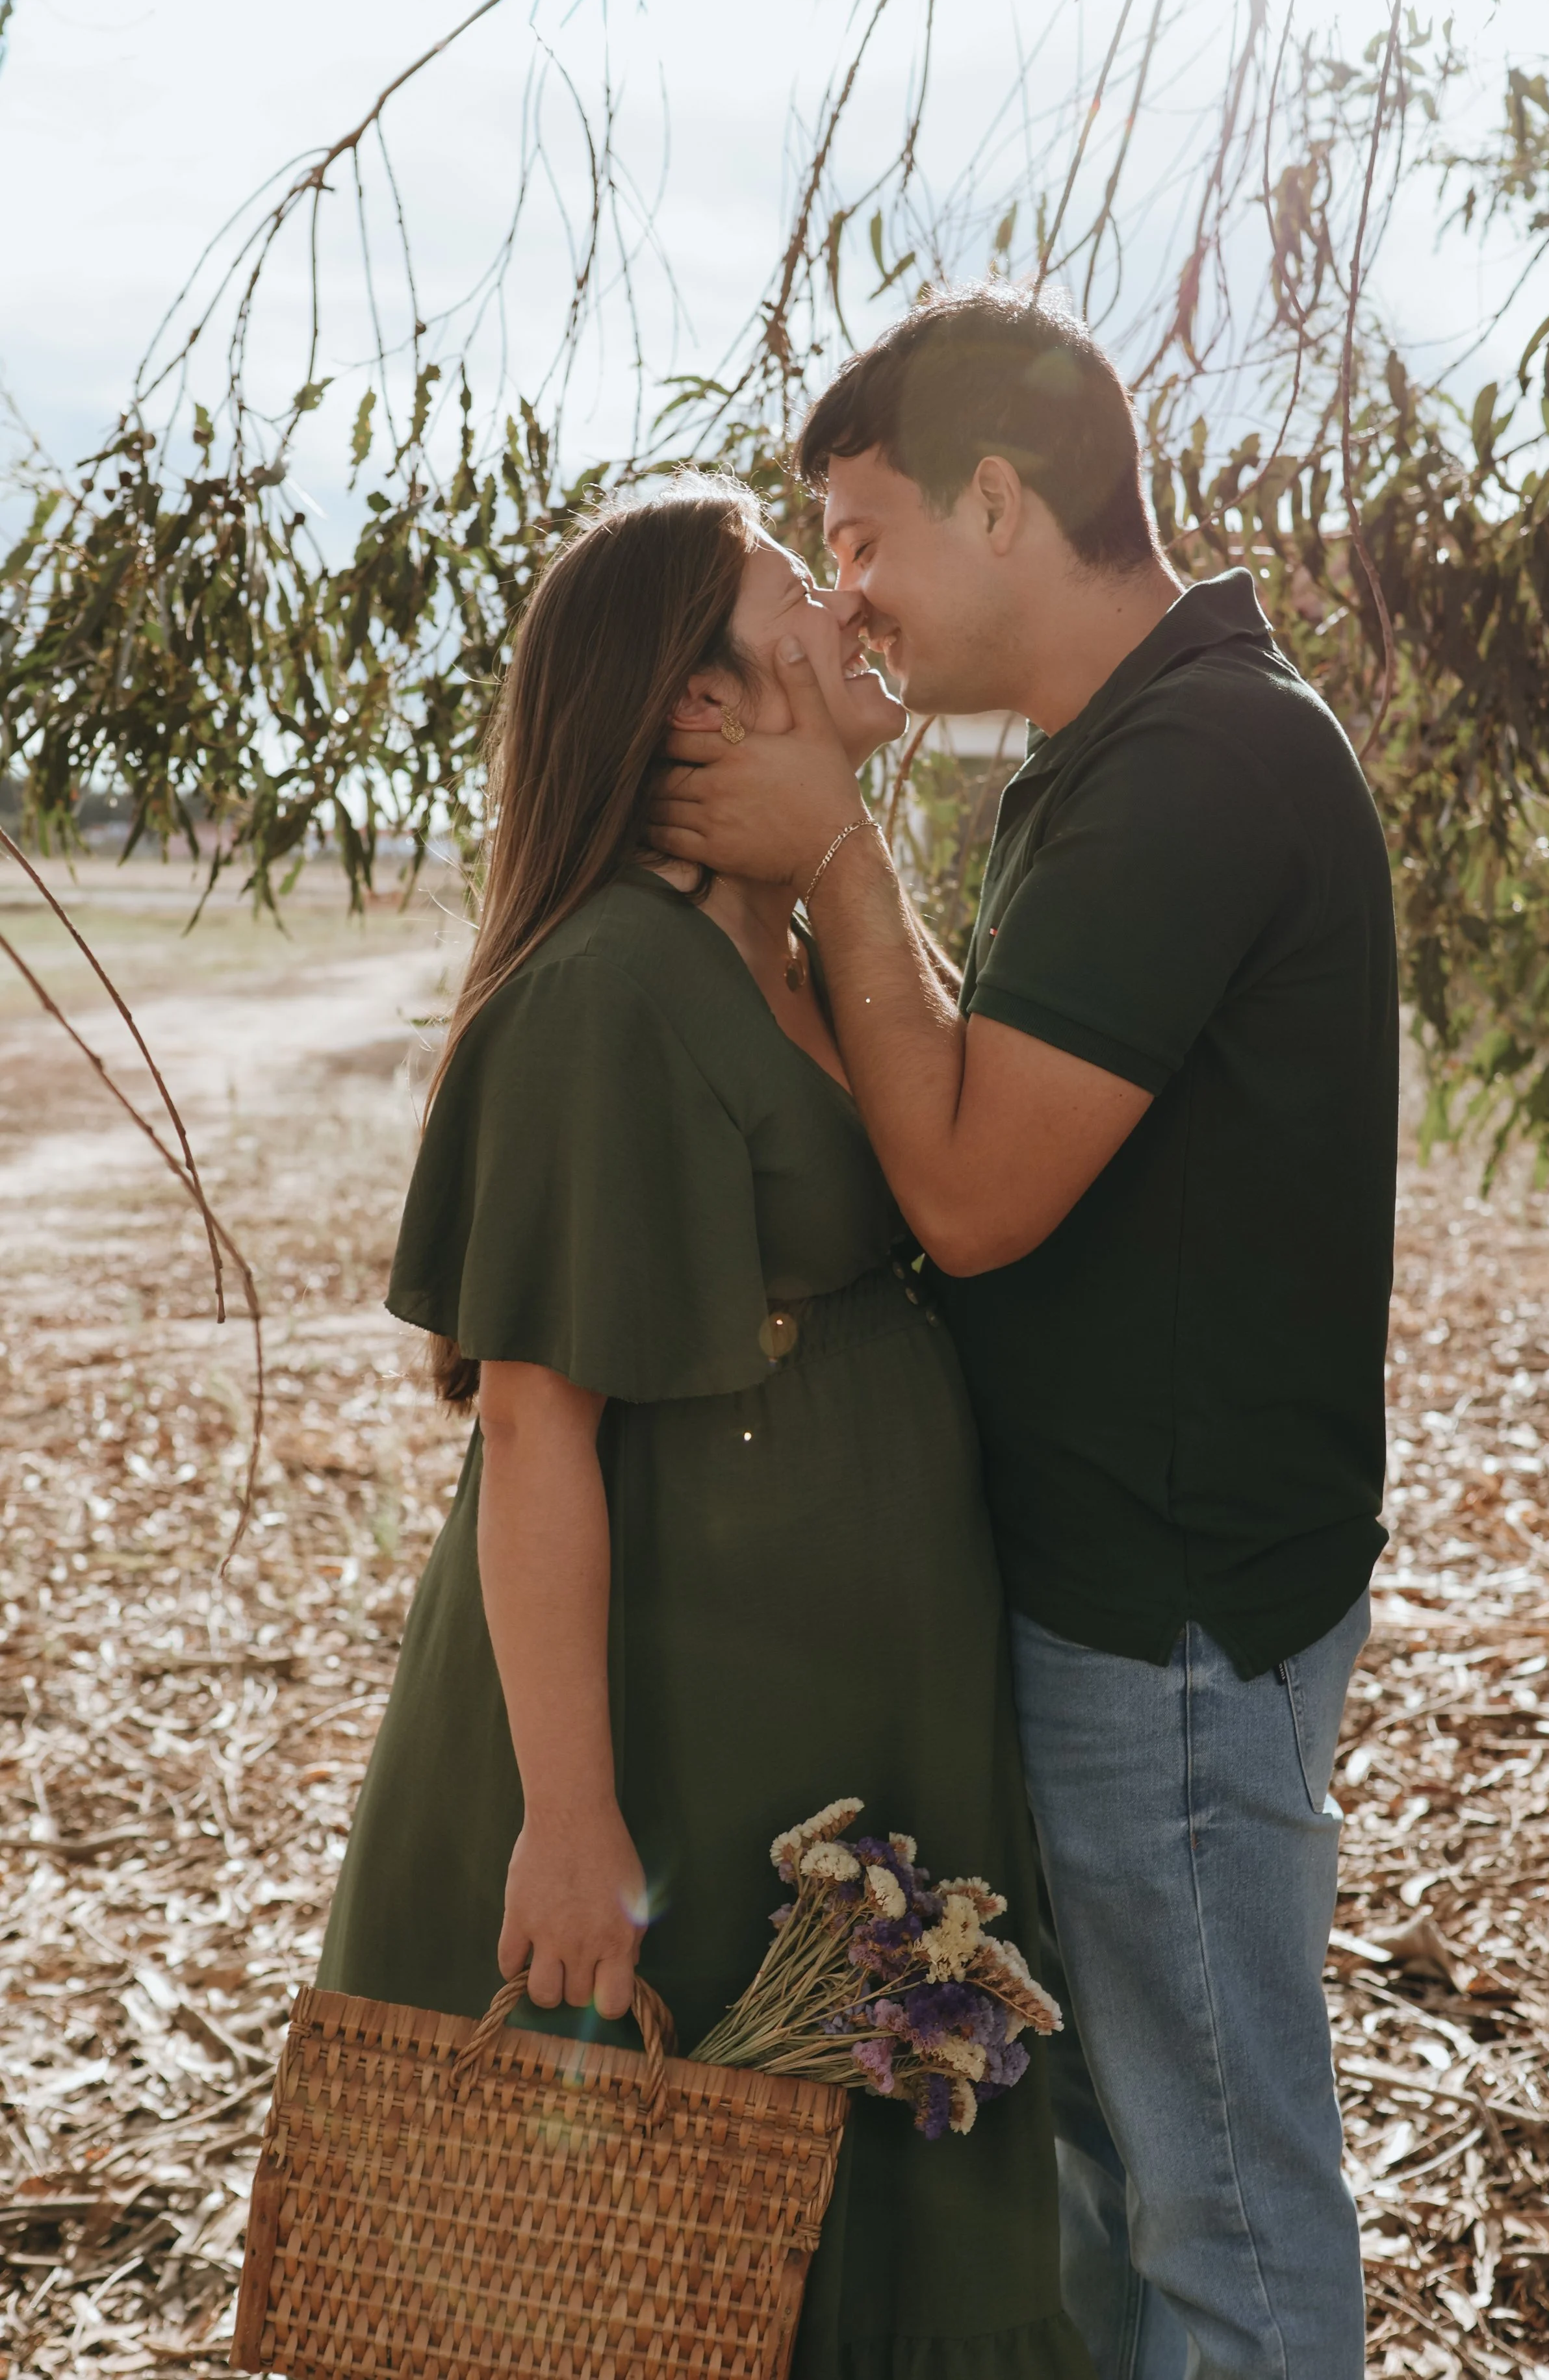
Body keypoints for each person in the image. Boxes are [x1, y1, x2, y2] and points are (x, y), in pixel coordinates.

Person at [648, 286, 1398, 2380]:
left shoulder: (1202, 764)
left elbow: (973, 1192)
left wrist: (843, 868)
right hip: (1132, 1598)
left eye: (861, 533)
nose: (849, 593)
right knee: (1122, 2174)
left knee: (1219, 2218)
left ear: (998, 496)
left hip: (1167, 1616)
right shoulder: (1117, 759)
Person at [317, 477, 1095, 2380]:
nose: (843, 614)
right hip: (676, 1739)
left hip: (831, 1727)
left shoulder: (799, 956)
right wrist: (571, 1822)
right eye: (789, 598)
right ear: (697, 705)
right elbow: (533, 1429)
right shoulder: (613, 988)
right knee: (636, 2272)